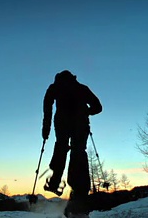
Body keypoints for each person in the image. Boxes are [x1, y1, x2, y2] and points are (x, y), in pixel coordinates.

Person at [42, 70, 102, 216]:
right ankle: (79, 189)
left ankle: (55, 180)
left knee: (61, 147)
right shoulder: (81, 88)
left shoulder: (54, 88)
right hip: (80, 124)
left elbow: (47, 107)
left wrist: (46, 128)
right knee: (79, 151)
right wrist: (86, 112)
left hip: (62, 122)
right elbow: (98, 107)